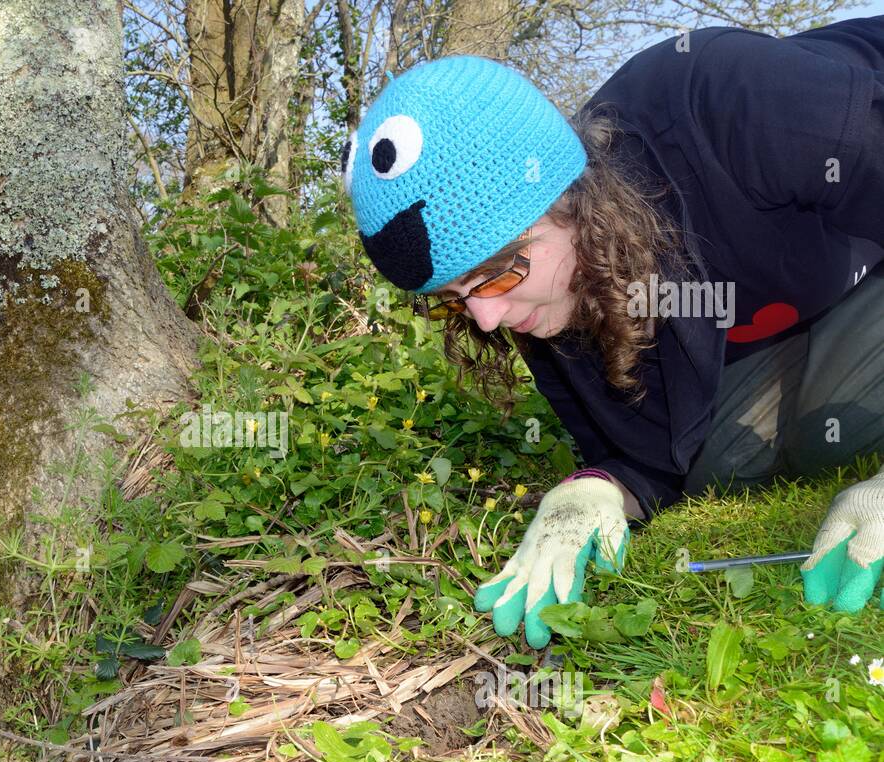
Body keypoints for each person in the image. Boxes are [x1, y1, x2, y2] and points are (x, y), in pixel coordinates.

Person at [343, 16, 884, 648]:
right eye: (453, 300)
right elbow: (648, 453)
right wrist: (595, 491)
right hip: (797, 311)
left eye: (493, 274)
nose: (487, 318)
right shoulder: (547, 293)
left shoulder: (727, 98)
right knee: (723, 462)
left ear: (573, 200)